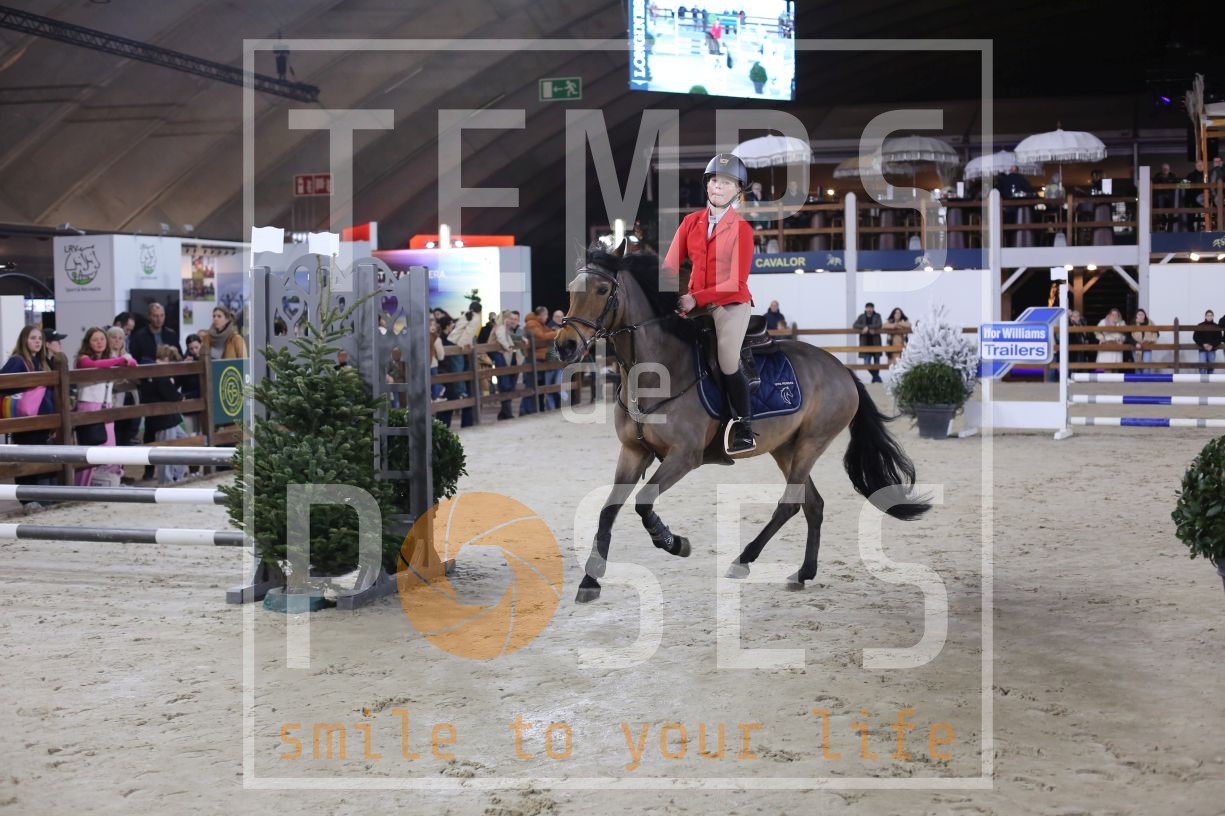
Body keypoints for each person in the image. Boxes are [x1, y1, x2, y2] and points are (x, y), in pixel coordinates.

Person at [664, 152, 756, 453]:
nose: (718, 186)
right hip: (694, 302)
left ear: (738, 190)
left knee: (727, 358)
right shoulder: (690, 222)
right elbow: (669, 266)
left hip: (730, 303)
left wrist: (696, 298)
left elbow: (736, 283)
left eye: (726, 182)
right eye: (714, 180)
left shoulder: (742, 230)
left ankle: (744, 425)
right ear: (707, 185)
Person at [1, 326, 60, 503]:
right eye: (33, 338)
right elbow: (3, 382)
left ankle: (42, 499)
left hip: (43, 423)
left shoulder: (41, 362)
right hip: (27, 424)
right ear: (24, 340)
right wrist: (23, 388)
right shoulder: (18, 361)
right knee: (28, 461)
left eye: (40, 339)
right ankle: (29, 501)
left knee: (42, 461)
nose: (37, 342)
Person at [73, 328, 136, 486]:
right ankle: (81, 488)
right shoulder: (83, 358)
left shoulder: (110, 359)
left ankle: (110, 484)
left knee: (110, 448)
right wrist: (121, 360)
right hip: (88, 406)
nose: (99, 342)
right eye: (95, 340)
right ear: (88, 342)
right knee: (89, 451)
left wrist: (127, 359)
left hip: (106, 406)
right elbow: (94, 365)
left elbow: (133, 364)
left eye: (102, 339)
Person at [139, 346, 187, 484]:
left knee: (184, 442)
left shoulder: (150, 370)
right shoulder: (160, 374)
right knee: (166, 450)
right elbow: (170, 394)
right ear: (166, 359)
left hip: (168, 418)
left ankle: (176, 476)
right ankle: (166, 482)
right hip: (164, 420)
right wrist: (180, 397)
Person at [523, 306, 560, 412]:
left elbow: (546, 332)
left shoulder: (539, 324)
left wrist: (553, 331)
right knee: (531, 386)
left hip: (539, 359)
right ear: (542, 315)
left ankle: (538, 409)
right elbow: (542, 336)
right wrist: (557, 333)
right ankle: (526, 411)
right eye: (546, 315)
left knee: (539, 386)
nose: (547, 317)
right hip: (534, 359)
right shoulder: (532, 324)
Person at [489, 310, 518, 420]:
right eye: (510, 318)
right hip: (498, 354)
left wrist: (510, 345)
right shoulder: (501, 327)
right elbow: (501, 337)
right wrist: (508, 347)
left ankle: (504, 413)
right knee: (504, 382)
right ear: (505, 318)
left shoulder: (502, 327)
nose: (511, 320)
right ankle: (506, 413)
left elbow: (507, 338)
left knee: (504, 382)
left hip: (499, 354)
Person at [853, 302, 884, 383]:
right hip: (865, 343)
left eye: (871, 308)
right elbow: (855, 325)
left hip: (876, 343)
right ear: (865, 308)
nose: (869, 309)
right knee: (866, 363)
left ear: (873, 309)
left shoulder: (877, 316)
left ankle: (876, 378)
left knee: (877, 364)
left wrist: (868, 327)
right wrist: (864, 327)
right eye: (868, 308)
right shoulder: (861, 316)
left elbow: (879, 324)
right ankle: (876, 377)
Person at [1193, 310, 1221, 374]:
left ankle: (1210, 378)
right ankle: (1203, 379)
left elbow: (1219, 338)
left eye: (1211, 315)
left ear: (1213, 316)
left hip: (1212, 349)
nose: (1209, 317)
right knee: (1202, 365)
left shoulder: (1216, 326)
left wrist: (1212, 345)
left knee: (1211, 366)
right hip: (1202, 349)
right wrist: (1203, 344)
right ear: (1205, 316)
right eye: (1208, 315)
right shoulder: (1200, 325)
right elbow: (1195, 337)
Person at [1152, 163, 1178, 231]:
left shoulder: (1173, 176)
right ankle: (1163, 220)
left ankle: (1170, 222)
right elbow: (1154, 186)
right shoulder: (1157, 176)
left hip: (1171, 196)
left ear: (1169, 170)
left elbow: (1179, 183)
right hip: (1160, 196)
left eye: (1167, 169)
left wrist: (1186, 182)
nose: (1165, 170)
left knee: (1174, 202)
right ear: (1161, 170)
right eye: (1164, 169)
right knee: (1160, 200)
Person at [1131, 309, 1157, 374]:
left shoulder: (1150, 323)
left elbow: (1156, 333)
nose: (1140, 316)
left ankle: (1146, 379)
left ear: (1145, 315)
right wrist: (1135, 343)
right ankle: (1138, 379)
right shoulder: (1133, 323)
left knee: (1146, 365)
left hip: (1147, 346)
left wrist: (1151, 340)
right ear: (1136, 316)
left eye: (1142, 314)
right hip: (1136, 347)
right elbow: (1129, 336)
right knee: (1137, 366)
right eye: (1139, 314)